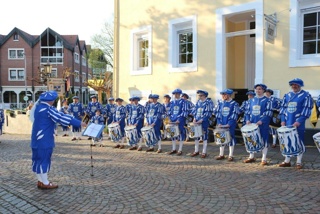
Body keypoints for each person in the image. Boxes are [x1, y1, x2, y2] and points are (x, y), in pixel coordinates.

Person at [30, 91, 86, 189]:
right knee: (44, 160)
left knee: (37, 160)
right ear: (51, 101)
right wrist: (78, 123)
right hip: (45, 139)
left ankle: (40, 181)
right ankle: (46, 183)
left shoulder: (38, 108)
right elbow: (61, 118)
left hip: (36, 139)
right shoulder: (48, 109)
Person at [278, 78, 313, 169]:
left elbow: (306, 110)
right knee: (287, 142)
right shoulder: (287, 95)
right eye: (293, 85)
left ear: (300, 85)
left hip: (298, 124)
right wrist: (282, 120)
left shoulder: (306, 95)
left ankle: (298, 162)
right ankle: (287, 161)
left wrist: (299, 122)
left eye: (296, 85)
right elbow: (283, 109)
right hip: (287, 123)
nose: (294, 86)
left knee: (299, 141)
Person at [243, 84, 272, 165]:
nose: (258, 91)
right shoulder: (251, 100)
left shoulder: (268, 100)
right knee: (251, 140)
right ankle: (251, 156)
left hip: (263, 125)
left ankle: (264, 158)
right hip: (252, 124)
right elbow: (247, 112)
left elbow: (268, 112)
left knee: (263, 140)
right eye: (256, 89)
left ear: (263, 90)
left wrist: (261, 121)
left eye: (260, 89)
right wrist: (247, 120)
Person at [214, 89, 239, 161]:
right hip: (221, 123)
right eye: (222, 94)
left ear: (229, 95)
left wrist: (229, 124)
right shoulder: (220, 103)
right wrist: (219, 123)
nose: (223, 96)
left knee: (230, 138)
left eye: (224, 94)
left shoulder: (234, 104)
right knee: (221, 138)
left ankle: (230, 155)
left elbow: (234, 115)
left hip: (229, 124)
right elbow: (217, 113)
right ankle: (221, 154)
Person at [190, 90, 214, 158]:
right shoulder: (198, 102)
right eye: (199, 95)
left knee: (204, 136)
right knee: (196, 136)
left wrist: (202, 120)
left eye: (201, 95)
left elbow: (208, 113)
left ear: (205, 96)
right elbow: (195, 111)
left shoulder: (208, 102)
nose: (199, 97)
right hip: (197, 121)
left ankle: (204, 152)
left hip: (204, 122)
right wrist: (194, 118)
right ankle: (196, 151)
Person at [167, 89, 188, 156]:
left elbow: (184, 112)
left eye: (177, 94)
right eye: (175, 94)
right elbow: (170, 112)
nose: (176, 95)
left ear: (180, 94)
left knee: (181, 134)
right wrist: (170, 119)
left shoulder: (183, 102)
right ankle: (173, 149)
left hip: (180, 121)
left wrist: (179, 119)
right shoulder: (172, 102)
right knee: (173, 134)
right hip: (173, 120)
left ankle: (180, 149)